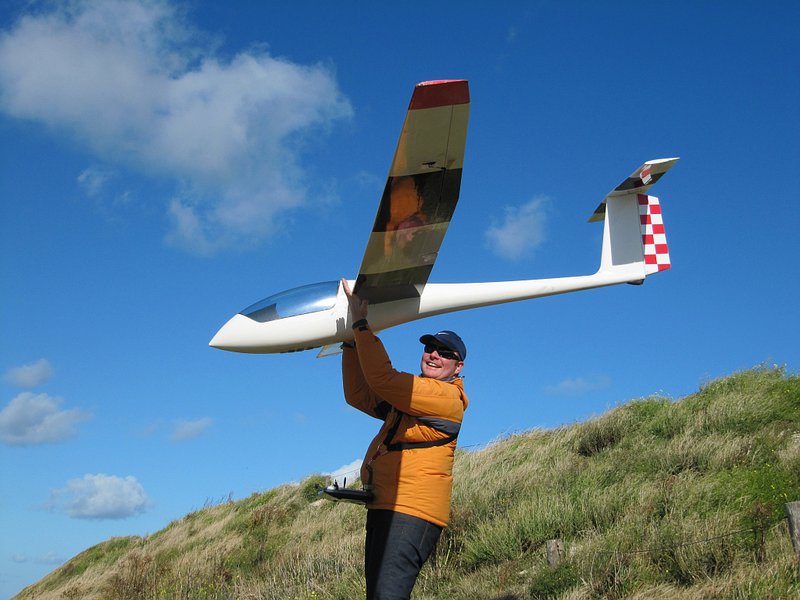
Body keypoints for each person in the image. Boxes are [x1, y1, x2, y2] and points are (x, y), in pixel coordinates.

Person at [340, 278, 469, 600]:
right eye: (429, 348)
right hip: (386, 504)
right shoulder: (411, 397)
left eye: (444, 353)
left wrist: (361, 325)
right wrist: (351, 345)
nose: (434, 355)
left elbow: (382, 379)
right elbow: (359, 396)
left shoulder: (444, 397)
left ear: (458, 367)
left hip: (412, 511)